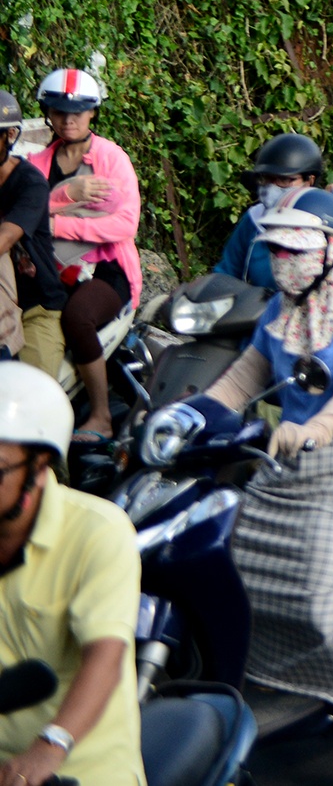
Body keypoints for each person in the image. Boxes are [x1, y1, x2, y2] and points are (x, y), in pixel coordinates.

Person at [202, 189, 333, 786]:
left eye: (295, 249)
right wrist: (187, 416)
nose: (281, 260)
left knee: (324, 597)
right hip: (287, 461)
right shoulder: (282, 307)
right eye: (276, 249)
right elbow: (243, 378)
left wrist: (320, 426)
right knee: (237, 569)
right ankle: (278, 688)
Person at [0, 363, 145, 786]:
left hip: (76, 772)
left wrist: (51, 745)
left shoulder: (98, 532)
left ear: (39, 466)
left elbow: (105, 655)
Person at [29, 69, 139, 445]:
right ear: (47, 113)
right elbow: (22, 214)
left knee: (78, 316)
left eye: (77, 111)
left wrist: (56, 224)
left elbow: (124, 224)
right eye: (59, 111)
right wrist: (67, 197)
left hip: (107, 270)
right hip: (50, 268)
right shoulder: (37, 163)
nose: (68, 120)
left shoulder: (111, 159)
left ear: (93, 112)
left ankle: (101, 415)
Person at [0, 94, 66, 380]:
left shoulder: (31, 184)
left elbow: (5, 238)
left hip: (36, 307)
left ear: (10, 136)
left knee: (31, 393)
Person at [215, 132, 324, 290]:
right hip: (258, 304)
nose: (272, 188)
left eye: (284, 180)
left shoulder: (329, 221)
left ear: (309, 181)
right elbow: (226, 273)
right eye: (266, 179)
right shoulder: (254, 220)